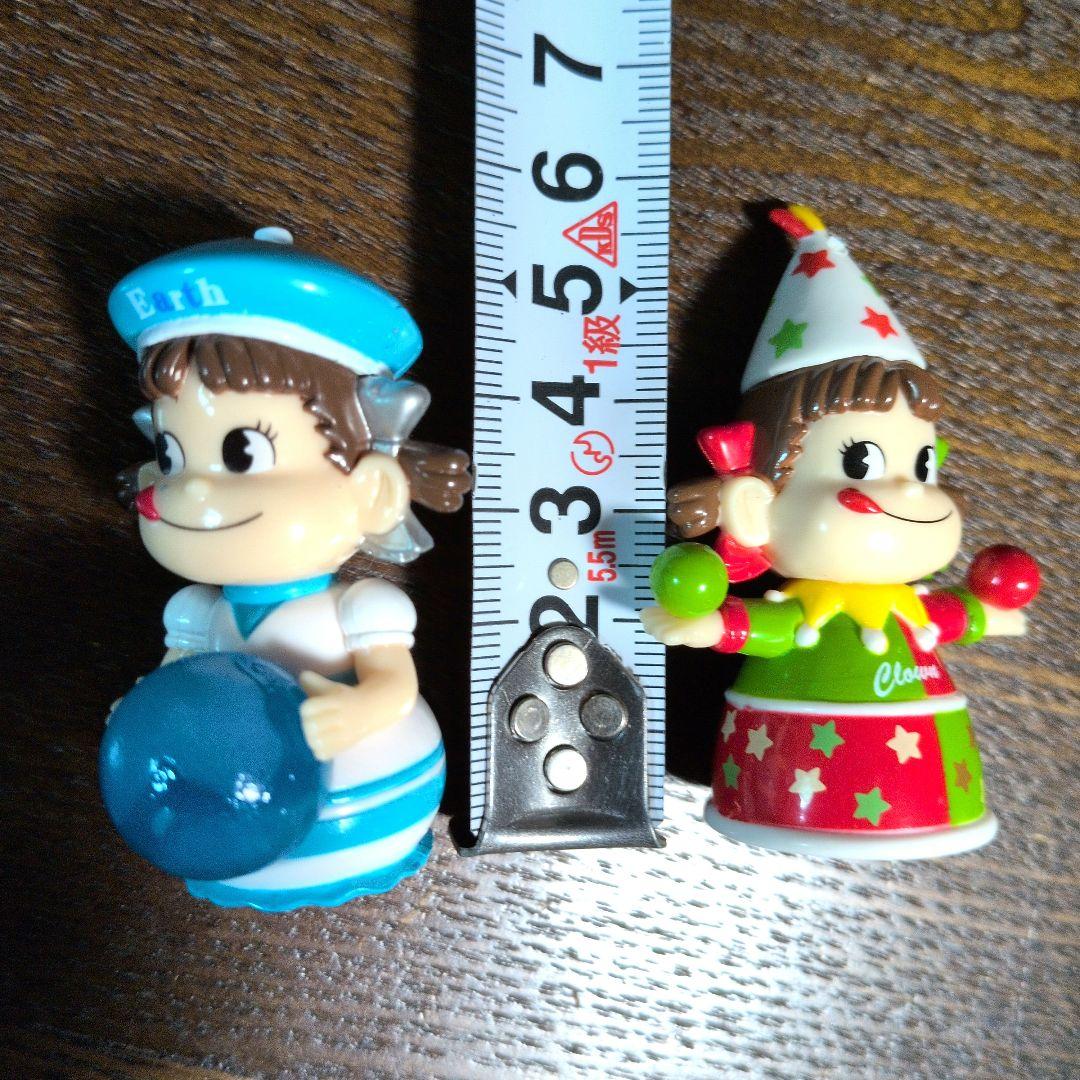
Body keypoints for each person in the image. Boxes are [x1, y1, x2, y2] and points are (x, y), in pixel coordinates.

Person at [643, 206, 1030, 859]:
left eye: (923, 466)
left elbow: (941, 616)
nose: (911, 492)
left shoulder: (906, 605)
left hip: (932, 792)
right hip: (781, 782)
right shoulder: (805, 609)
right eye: (861, 462)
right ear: (756, 502)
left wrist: (983, 611)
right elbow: (770, 628)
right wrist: (709, 624)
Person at [109, 227, 471, 907]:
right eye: (172, 455)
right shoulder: (199, 613)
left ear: (373, 491)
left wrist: (363, 706)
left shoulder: (360, 608)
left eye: (242, 453)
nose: (186, 490)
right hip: (224, 833)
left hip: (367, 804)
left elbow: (393, 685)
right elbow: (177, 687)